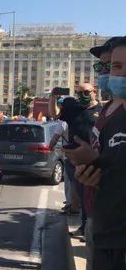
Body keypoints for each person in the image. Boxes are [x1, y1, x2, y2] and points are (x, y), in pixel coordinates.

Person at [70, 36, 126, 270]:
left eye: (115, 66)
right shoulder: (109, 114)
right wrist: (89, 164)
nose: (111, 74)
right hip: (103, 227)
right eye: (108, 66)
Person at [50, 82, 102, 239]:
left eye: (86, 92)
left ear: (94, 92)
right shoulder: (73, 109)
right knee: (81, 195)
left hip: (96, 160)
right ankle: (84, 226)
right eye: (79, 92)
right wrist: (53, 98)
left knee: (95, 196)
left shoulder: (102, 110)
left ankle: (93, 229)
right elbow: (55, 114)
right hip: (75, 161)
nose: (83, 95)